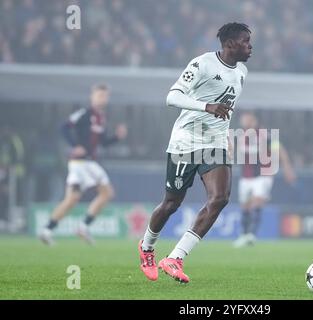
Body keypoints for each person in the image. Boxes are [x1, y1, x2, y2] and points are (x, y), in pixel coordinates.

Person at [138, 22, 252, 283]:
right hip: (185, 142)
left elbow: (226, 111)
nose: (250, 46)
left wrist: (225, 138)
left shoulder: (242, 72)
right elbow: (172, 96)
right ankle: (146, 248)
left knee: (220, 198)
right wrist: (206, 106)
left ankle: (175, 258)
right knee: (171, 204)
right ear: (230, 44)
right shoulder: (202, 64)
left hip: (214, 143)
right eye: (246, 41)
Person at [39, 84, 127, 245]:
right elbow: (64, 127)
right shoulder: (84, 113)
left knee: (72, 199)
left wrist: (117, 137)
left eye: (105, 96)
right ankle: (83, 226)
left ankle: (47, 230)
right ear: (92, 97)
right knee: (107, 193)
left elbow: (103, 143)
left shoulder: (101, 118)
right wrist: (75, 145)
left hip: (83, 163)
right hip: (84, 162)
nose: (103, 99)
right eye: (99, 95)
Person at [233, 111, 296, 247]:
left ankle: (252, 235)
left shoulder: (264, 134)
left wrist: (287, 168)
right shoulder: (241, 135)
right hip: (246, 176)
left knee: (257, 202)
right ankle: (244, 235)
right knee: (245, 205)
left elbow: (280, 150)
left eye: (246, 118)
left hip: (263, 175)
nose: (243, 121)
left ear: (252, 119)